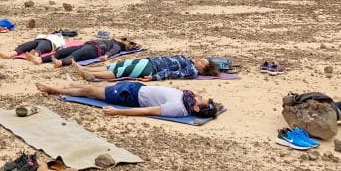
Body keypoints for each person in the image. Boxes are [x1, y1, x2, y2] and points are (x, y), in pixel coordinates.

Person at [35, 80, 221, 119]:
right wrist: (210, 106)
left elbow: (146, 111)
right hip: (137, 87)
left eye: (201, 99)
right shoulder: (189, 99)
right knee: (96, 87)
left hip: (130, 97)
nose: (198, 96)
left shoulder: (178, 108)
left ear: (196, 108)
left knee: (90, 91)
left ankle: (54, 89)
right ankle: (70, 86)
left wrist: (118, 112)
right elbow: (206, 104)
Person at [73, 55, 220, 81]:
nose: (199, 60)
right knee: (117, 65)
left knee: (119, 72)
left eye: (202, 62)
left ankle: (92, 75)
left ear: (202, 69)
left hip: (152, 68)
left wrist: (155, 77)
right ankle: (87, 70)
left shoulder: (192, 71)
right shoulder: (190, 62)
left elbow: (173, 73)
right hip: (150, 61)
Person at [23, 37, 134, 67]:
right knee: (62, 52)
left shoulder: (117, 45)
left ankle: (61, 63)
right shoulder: (112, 41)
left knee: (74, 56)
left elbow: (113, 51)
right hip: (87, 45)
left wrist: (106, 56)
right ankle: (40, 59)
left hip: (94, 50)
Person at [0, 33, 66, 59]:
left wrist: (58, 49)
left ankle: (34, 55)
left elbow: (62, 47)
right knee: (23, 46)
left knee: (40, 48)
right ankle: (9, 55)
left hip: (49, 43)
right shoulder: (45, 34)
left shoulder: (60, 38)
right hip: (38, 40)